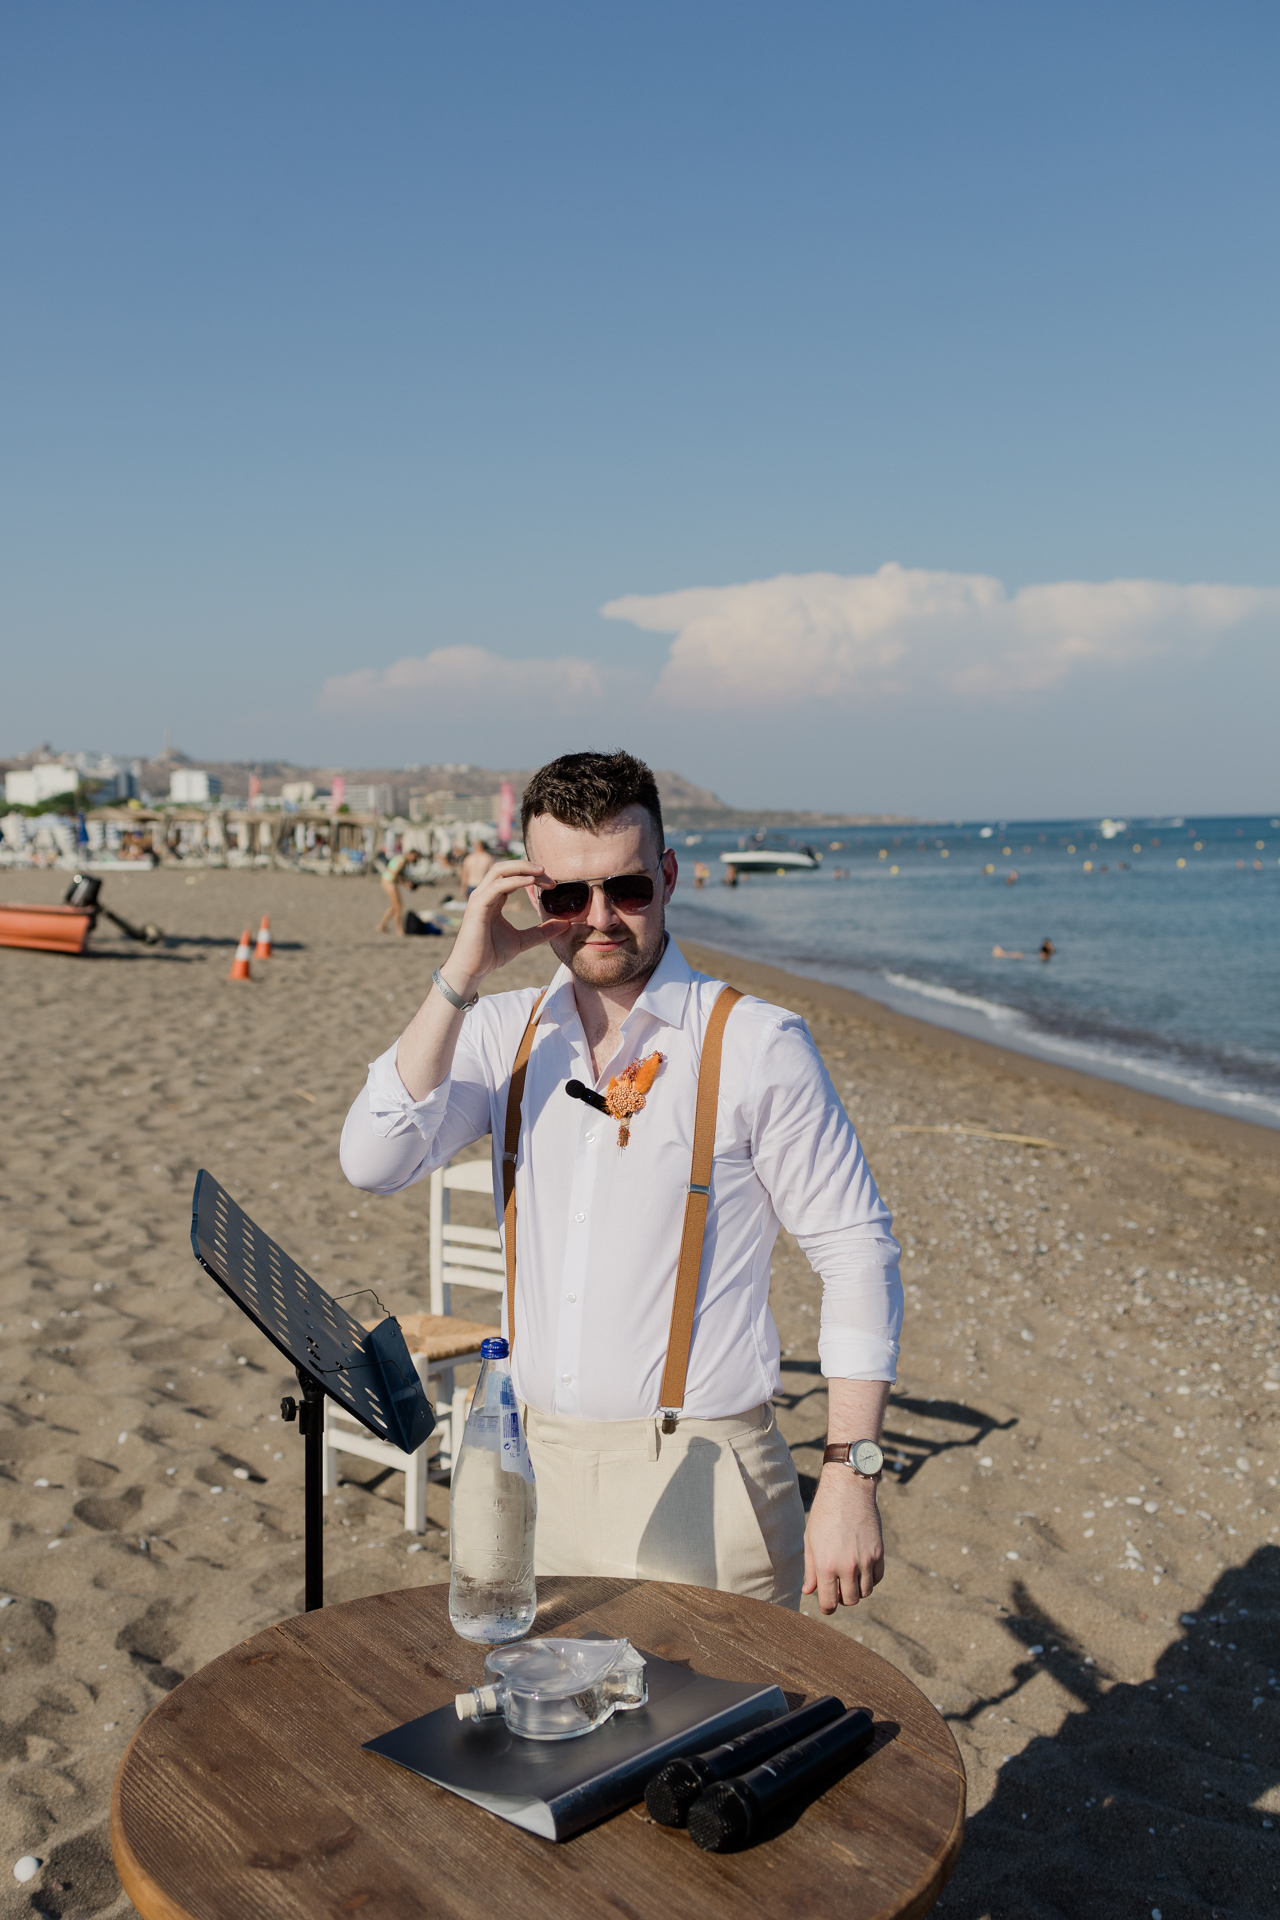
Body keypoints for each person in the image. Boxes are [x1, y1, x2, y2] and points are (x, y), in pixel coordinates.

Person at [340, 751, 901, 1614]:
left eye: (627, 888)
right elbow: (373, 1161)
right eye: (567, 895)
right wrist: (461, 976)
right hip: (534, 1468)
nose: (599, 918)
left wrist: (850, 1477)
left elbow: (857, 1254)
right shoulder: (501, 1031)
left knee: (709, 1710)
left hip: (704, 1474)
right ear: (533, 897)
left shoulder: (755, 1044)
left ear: (667, 877)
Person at [376, 846, 408, 935]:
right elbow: (394, 873)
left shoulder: (400, 858)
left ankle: (382, 925)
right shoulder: (403, 861)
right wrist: (405, 883)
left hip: (387, 880)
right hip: (389, 881)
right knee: (398, 906)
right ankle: (399, 929)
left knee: (395, 905)